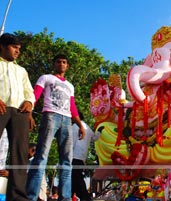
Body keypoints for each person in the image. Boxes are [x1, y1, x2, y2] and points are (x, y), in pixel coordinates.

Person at [26, 54, 86, 201]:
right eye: (58, 62)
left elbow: (72, 107)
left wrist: (80, 125)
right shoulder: (46, 78)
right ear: (54, 64)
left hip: (67, 119)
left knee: (66, 160)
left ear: (67, 66)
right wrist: (29, 111)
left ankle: (65, 197)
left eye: (64, 62)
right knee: (41, 156)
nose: (61, 64)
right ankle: (31, 196)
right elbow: (36, 94)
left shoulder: (70, 86)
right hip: (50, 115)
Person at [0, 33, 35, 201]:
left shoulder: (21, 70)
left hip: (20, 111)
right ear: (2, 46)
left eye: (19, 49)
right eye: (14, 47)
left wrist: (29, 102)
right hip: (1, 107)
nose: (17, 51)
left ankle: (18, 196)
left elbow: (29, 92)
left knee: (20, 153)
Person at [72, 111, 100, 201]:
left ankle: (85, 197)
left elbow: (71, 143)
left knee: (76, 178)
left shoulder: (75, 127)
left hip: (73, 157)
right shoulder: (87, 127)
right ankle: (82, 196)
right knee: (75, 178)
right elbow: (95, 138)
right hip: (82, 158)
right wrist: (99, 131)